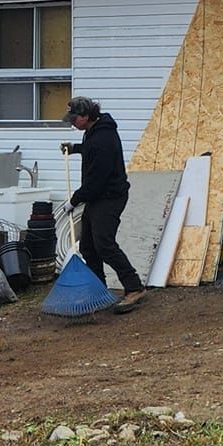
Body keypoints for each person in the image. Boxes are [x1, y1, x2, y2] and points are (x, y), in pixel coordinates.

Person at [61, 95, 146, 314]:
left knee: (104, 244)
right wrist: (75, 148)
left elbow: (96, 181)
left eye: (74, 119)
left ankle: (134, 288)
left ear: (85, 116)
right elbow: (91, 149)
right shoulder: (95, 130)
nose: (72, 123)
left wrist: (74, 200)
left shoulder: (103, 138)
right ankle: (98, 290)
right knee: (88, 246)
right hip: (97, 196)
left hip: (109, 197)